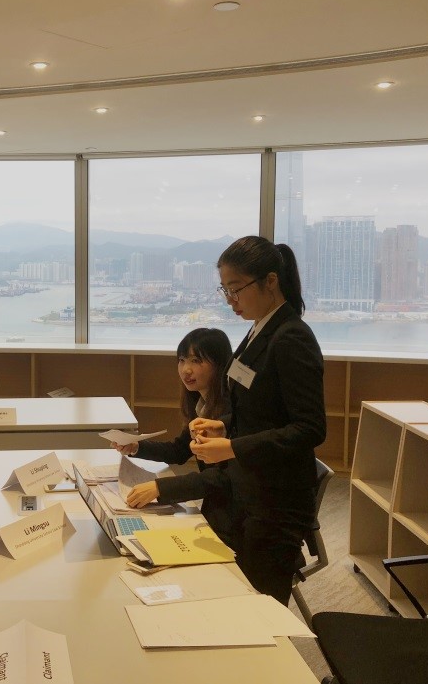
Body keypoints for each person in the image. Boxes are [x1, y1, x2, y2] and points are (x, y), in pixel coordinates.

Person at [128, 236, 326, 605]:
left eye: (236, 289)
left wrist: (232, 445)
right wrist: (222, 426)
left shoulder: (291, 337)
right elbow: (260, 409)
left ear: (270, 281)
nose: (230, 300)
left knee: (259, 611)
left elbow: (309, 428)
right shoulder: (259, 329)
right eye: (225, 290)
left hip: (274, 502)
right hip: (247, 493)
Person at [113, 328, 235, 541]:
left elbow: (223, 477)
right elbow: (178, 450)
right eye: (181, 360)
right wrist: (136, 447)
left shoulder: (229, 412)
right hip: (217, 507)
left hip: (232, 516)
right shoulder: (202, 404)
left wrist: (160, 488)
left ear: (220, 364)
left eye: (196, 361)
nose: (186, 370)